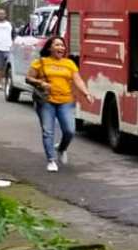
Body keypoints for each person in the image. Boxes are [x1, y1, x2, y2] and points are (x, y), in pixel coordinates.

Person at [24, 36, 90, 172]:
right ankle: (51, 160)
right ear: (50, 48)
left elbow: (78, 80)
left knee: (70, 131)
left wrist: (86, 93)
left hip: (66, 101)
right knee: (48, 131)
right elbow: (28, 78)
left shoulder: (69, 63)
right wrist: (41, 83)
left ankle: (62, 148)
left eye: (62, 45)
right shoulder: (40, 62)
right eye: (57, 45)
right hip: (46, 101)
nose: (61, 48)